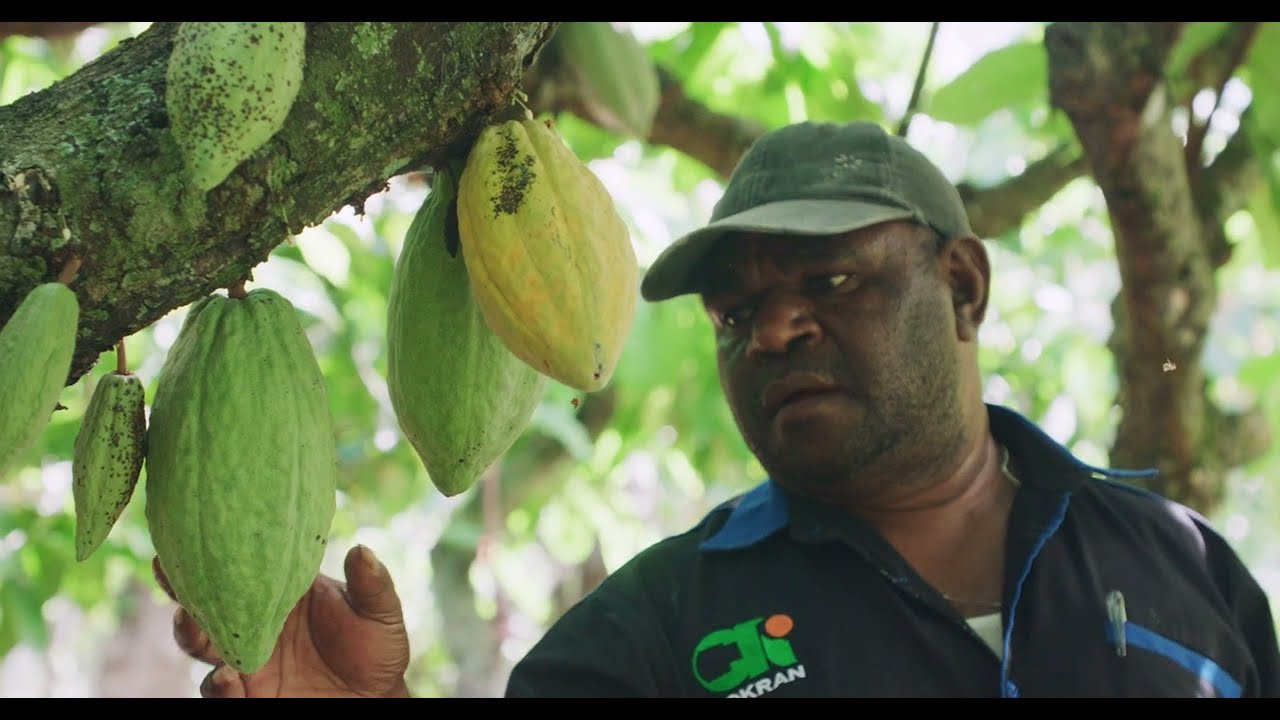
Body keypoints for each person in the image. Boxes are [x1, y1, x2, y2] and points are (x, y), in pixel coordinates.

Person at [156, 119, 1280, 698]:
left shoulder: (1190, 574)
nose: (774, 330)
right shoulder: (651, 632)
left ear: (961, 287)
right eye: (735, 315)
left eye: (827, 283)